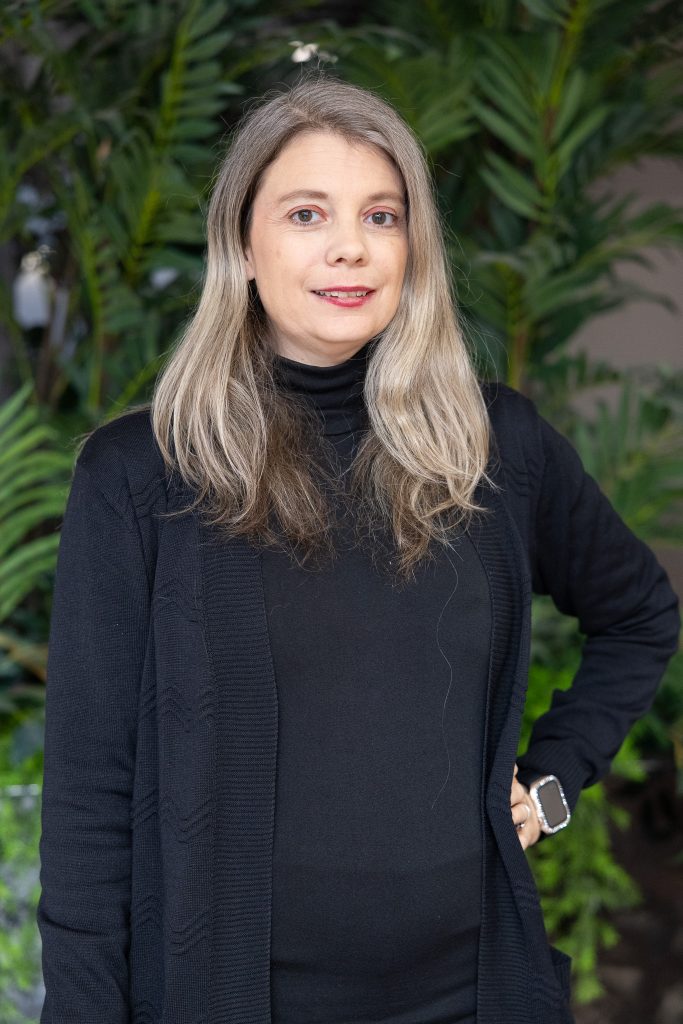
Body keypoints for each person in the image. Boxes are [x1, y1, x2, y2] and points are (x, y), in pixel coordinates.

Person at [37, 72, 680, 1024]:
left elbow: (639, 616)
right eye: (306, 213)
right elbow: (89, 797)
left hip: (472, 994)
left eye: (382, 215)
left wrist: (549, 786)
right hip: (228, 1001)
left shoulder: (495, 446)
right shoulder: (141, 476)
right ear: (241, 244)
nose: (350, 246)